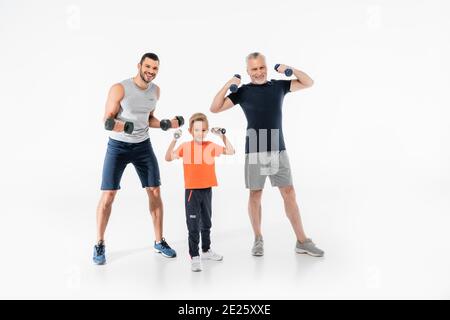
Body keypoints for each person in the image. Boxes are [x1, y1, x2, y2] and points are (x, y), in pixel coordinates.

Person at [210, 52, 324, 257]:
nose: (259, 72)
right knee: (255, 194)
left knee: (289, 193)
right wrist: (229, 83)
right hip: (255, 146)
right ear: (248, 71)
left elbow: (309, 82)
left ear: (266, 67)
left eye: (262, 67)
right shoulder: (242, 92)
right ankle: (258, 239)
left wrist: (289, 69)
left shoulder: (279, 86)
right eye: (254, 69)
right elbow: (215, 108)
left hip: (277, 146)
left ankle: (302, 241)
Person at [93, 53, 180, 265]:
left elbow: (148, 118)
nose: (151, 71)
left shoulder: (155, 91)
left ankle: (159, 241)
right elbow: (106, 120)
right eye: (148, 67)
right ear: (139, 65)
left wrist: (166, 124)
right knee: (109, 195)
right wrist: (125, 126)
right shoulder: (120, 88)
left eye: (155, 69)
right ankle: (99, 243)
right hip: (118, 147)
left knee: (155, 190)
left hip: (143, 146)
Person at [165, 113, 235, 271]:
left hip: (207, 189)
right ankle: (194, 256)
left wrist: (222, 136)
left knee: (206, 222)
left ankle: (205, 250)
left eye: (203, 130)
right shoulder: (185, 146)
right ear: (191, 131)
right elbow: (168, 157)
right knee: (193, 225)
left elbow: (231, 151)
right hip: (192, 191)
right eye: (197, 130)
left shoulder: (210, 145)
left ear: (207, 131)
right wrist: (174, 139)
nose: (200, 133)